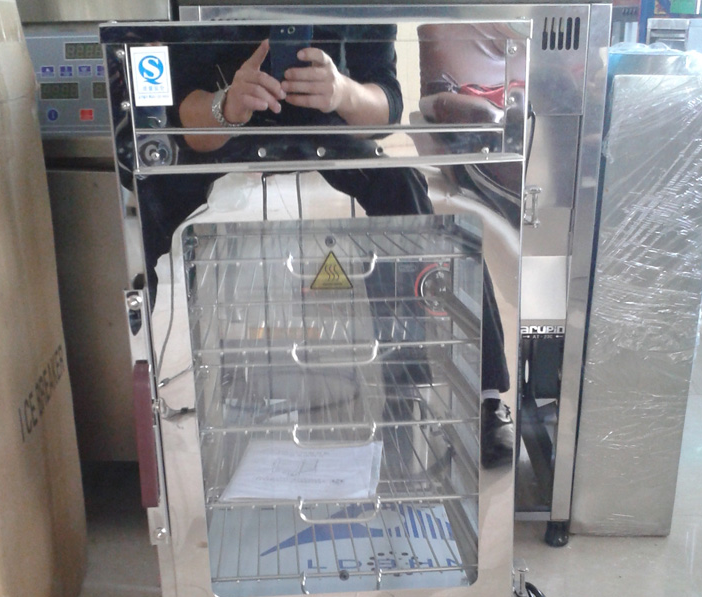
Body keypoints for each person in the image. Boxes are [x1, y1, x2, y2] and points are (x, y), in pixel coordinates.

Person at [135, 24, 513, 467]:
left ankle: (475, 395)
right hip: (226, 141)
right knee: (151, 210)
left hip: (329, 136)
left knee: (411, 199)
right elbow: (183, 118)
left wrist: (343, 93)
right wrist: (227, 106)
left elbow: (387, 103)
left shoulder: (360, 12)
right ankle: (153, 404)